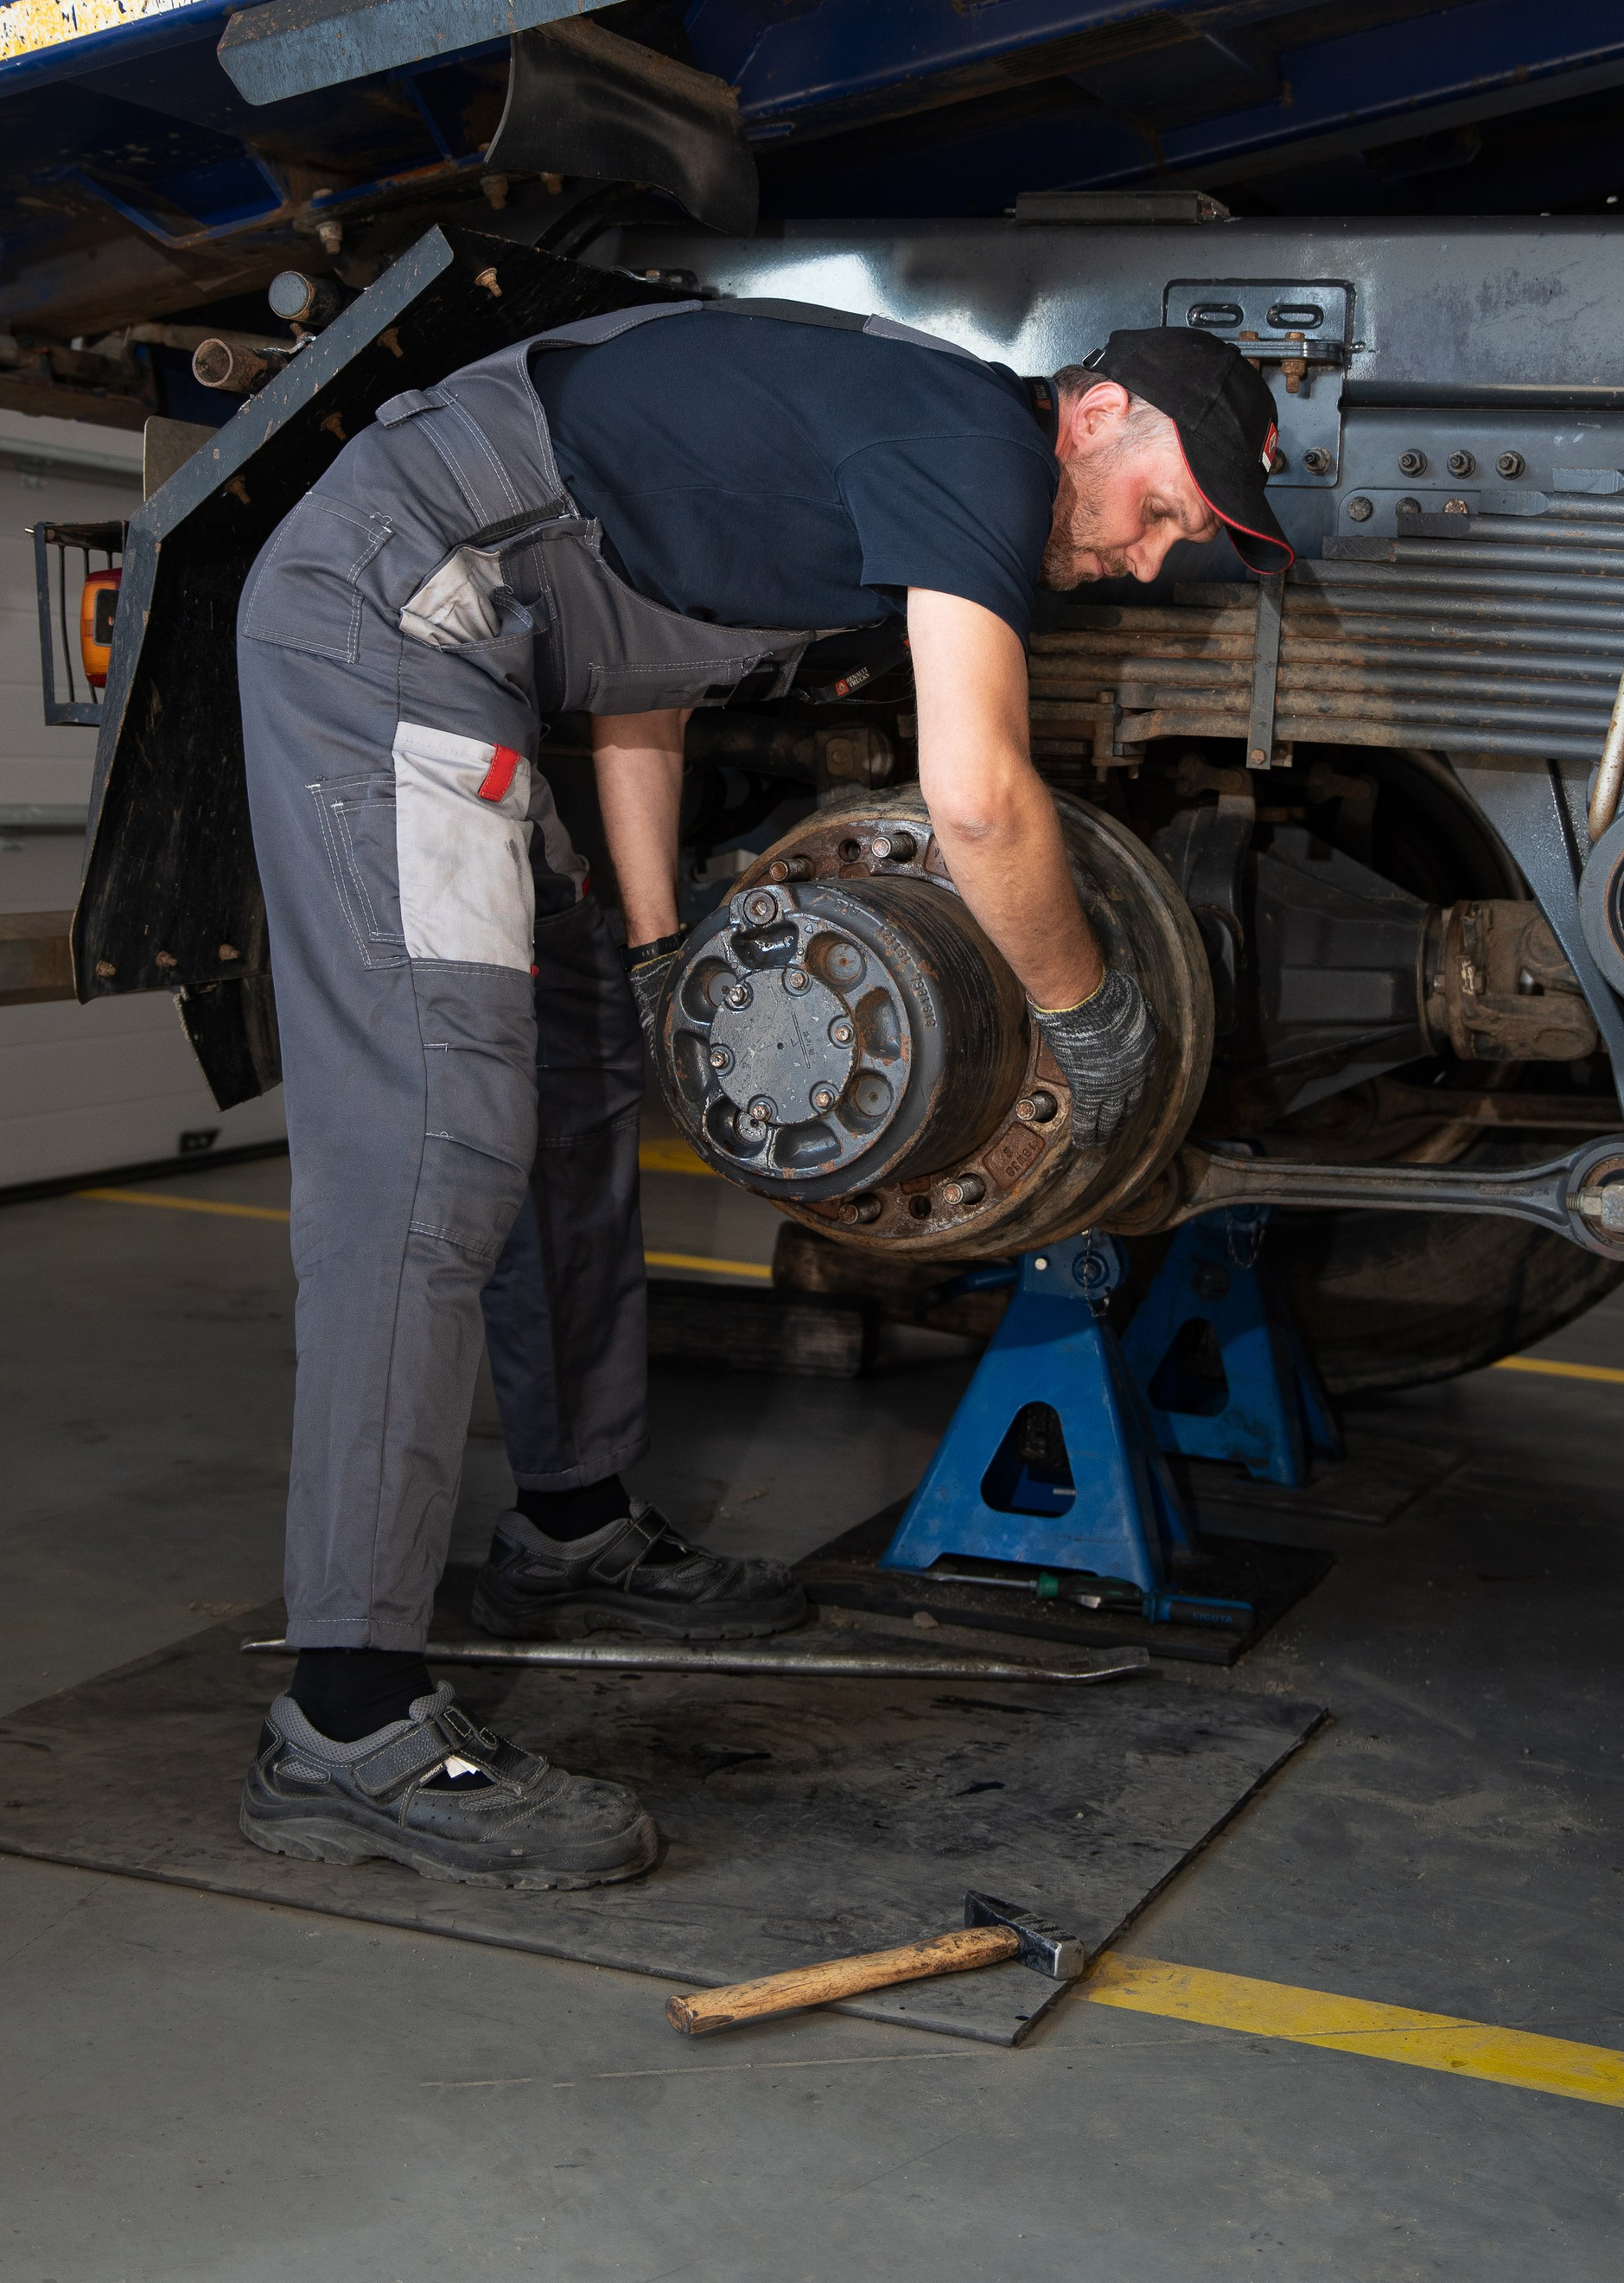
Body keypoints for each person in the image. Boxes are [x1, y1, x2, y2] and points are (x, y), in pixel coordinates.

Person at [232, 297, 1290, 1887]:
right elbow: (980, 802)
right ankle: (348, 1715)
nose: (1150, 559)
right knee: (433, 1140)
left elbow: (643, 664)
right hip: (392, 621)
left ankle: (570, 1523)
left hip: (495, 659)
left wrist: (656, 955)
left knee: (574, 1091)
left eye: (1180, 541)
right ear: (1097, 416)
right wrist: (1093, 1016)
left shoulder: (895, 467)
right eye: (1159, 510)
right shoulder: (969, 452)